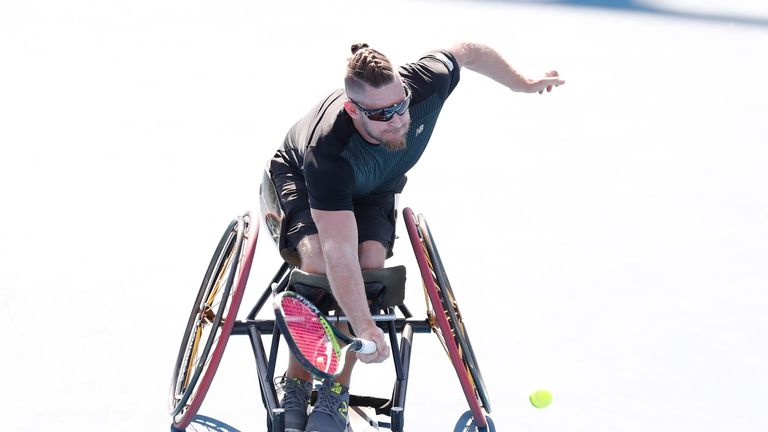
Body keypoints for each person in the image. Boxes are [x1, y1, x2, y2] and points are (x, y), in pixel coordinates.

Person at [265, 41, 564, 432]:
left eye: (401, 104)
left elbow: (469, 52)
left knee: (370, 265)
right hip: (299, 182)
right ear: (354, 110)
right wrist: (366, 326)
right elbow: (338, 251)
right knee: (321, 263)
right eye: (382, 114)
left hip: (373, 190)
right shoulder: (329, 152)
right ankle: (298, 383)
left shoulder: (425, 83)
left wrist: (522, 83)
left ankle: (336, 391)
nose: (398, 118)